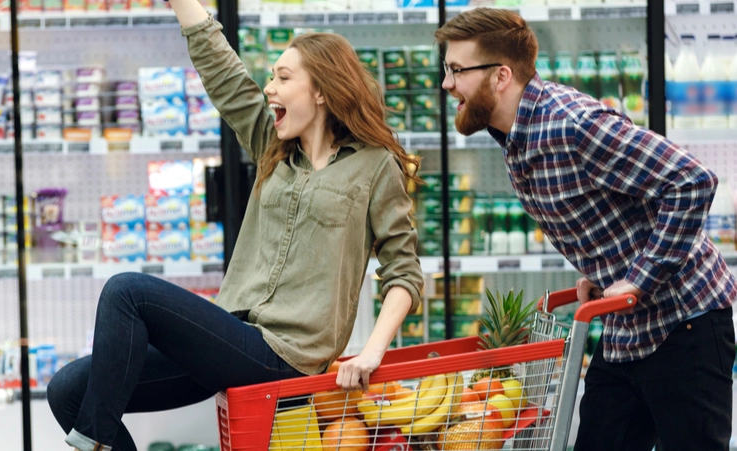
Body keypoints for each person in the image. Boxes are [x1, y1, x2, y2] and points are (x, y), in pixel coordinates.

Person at [47, 2, 424, 450]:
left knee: (127, 291)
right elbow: (225, 75)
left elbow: (404, 273)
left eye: (284, 78)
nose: (270, 88)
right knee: (67, 390)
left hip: (287, 357)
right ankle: (96, 440)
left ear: (321, 91)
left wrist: (371, 351)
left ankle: (92, 442)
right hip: (233, 341)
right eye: (271, 78)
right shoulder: (274, 147)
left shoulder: (374, 167)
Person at [436, 8, 736, 451]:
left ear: (500, 76)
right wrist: (603, 269)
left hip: (684, 323)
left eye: (456, 70)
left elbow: (690, 182)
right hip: (625, 330)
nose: (447, 83)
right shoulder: (515, 137)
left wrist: (638, 278)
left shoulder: (572, 124)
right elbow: (616, 204)